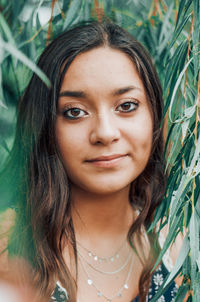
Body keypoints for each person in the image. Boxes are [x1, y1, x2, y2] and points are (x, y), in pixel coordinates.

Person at [0, 21, 179, 302]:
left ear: (154, 115)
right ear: (44, 125)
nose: (105, 133)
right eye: (74, 112)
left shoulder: (177, 248)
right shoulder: (9, 249)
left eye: (127, 106)